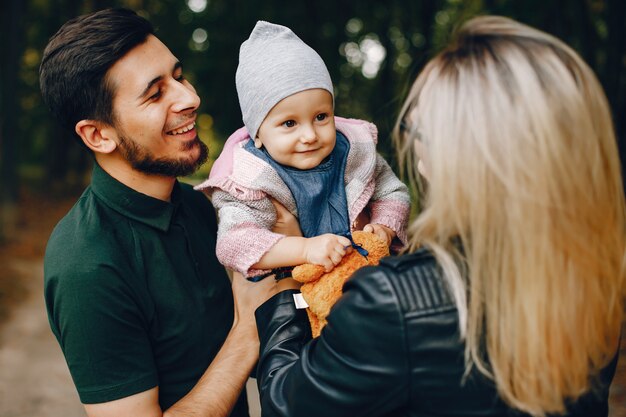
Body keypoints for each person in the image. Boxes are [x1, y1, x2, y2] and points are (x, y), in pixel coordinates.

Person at [251, 15, 625, 417]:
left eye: (418, 132)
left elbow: (285, 403)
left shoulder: (393, 302)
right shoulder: (597, 279)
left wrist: (288, 282)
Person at [40, 8, 278, 417]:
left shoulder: (205, 207)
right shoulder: (86, 267)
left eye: (179, 76)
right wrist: (247, 336)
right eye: (155, 93)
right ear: (99, 134)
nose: (190, 98)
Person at [195, 21, 410, 278]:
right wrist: (305, 249)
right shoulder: (251, 179)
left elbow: (392, 191)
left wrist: (384, 226)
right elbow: (234, 243)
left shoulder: (353, 152)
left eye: (321, 117)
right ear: (258, 133)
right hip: (295, 295)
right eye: (289, 123)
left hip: (367, 276)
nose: (309, 135)